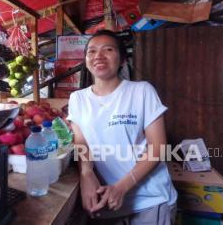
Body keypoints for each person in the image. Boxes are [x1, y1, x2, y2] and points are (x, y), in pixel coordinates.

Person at [67, 30, 177, 224]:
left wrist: (121, 187)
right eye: (91, 51)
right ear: (86, 60)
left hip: (149, 200)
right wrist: (86, 173)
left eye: (107, 49)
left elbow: (158, 147)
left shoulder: (142, 91)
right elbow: (81, 141)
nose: (98, 56)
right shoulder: (78, 99)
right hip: (105, 203)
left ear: (123, 60)